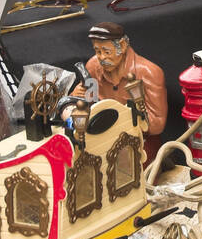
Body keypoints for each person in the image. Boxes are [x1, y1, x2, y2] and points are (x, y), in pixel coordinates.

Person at [71, 22, 167, 159]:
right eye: (97, 51)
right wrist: (77, 97)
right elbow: (85, 105)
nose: (102, 57)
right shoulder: (93, 66)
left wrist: (120, 121)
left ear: (122, 46)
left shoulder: (149, 73)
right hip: (101, 139)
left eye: (106, 51)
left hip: (139, 141)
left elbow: (157, 124)